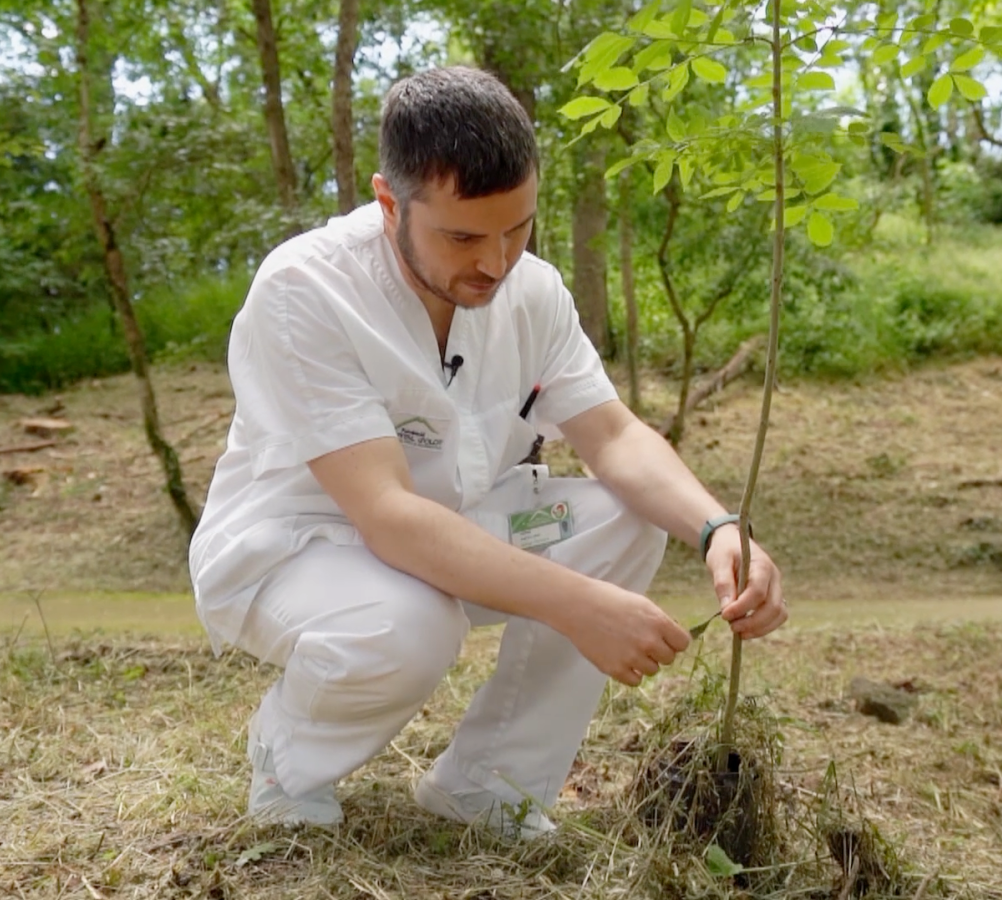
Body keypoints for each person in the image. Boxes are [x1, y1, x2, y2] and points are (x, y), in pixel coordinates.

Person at [188, 66, 787, 834]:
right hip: (299, 549)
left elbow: (614, 436)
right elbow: (389, 515)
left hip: (463, 526)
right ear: (387, 201)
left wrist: (718, 528)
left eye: (519, 227)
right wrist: (580, 607)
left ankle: (489, 787)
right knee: (409, 627)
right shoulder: (306, 289)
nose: (496, 263)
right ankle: (287, 768)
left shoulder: (532, 292)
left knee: (628, 517)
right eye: (465, 235)